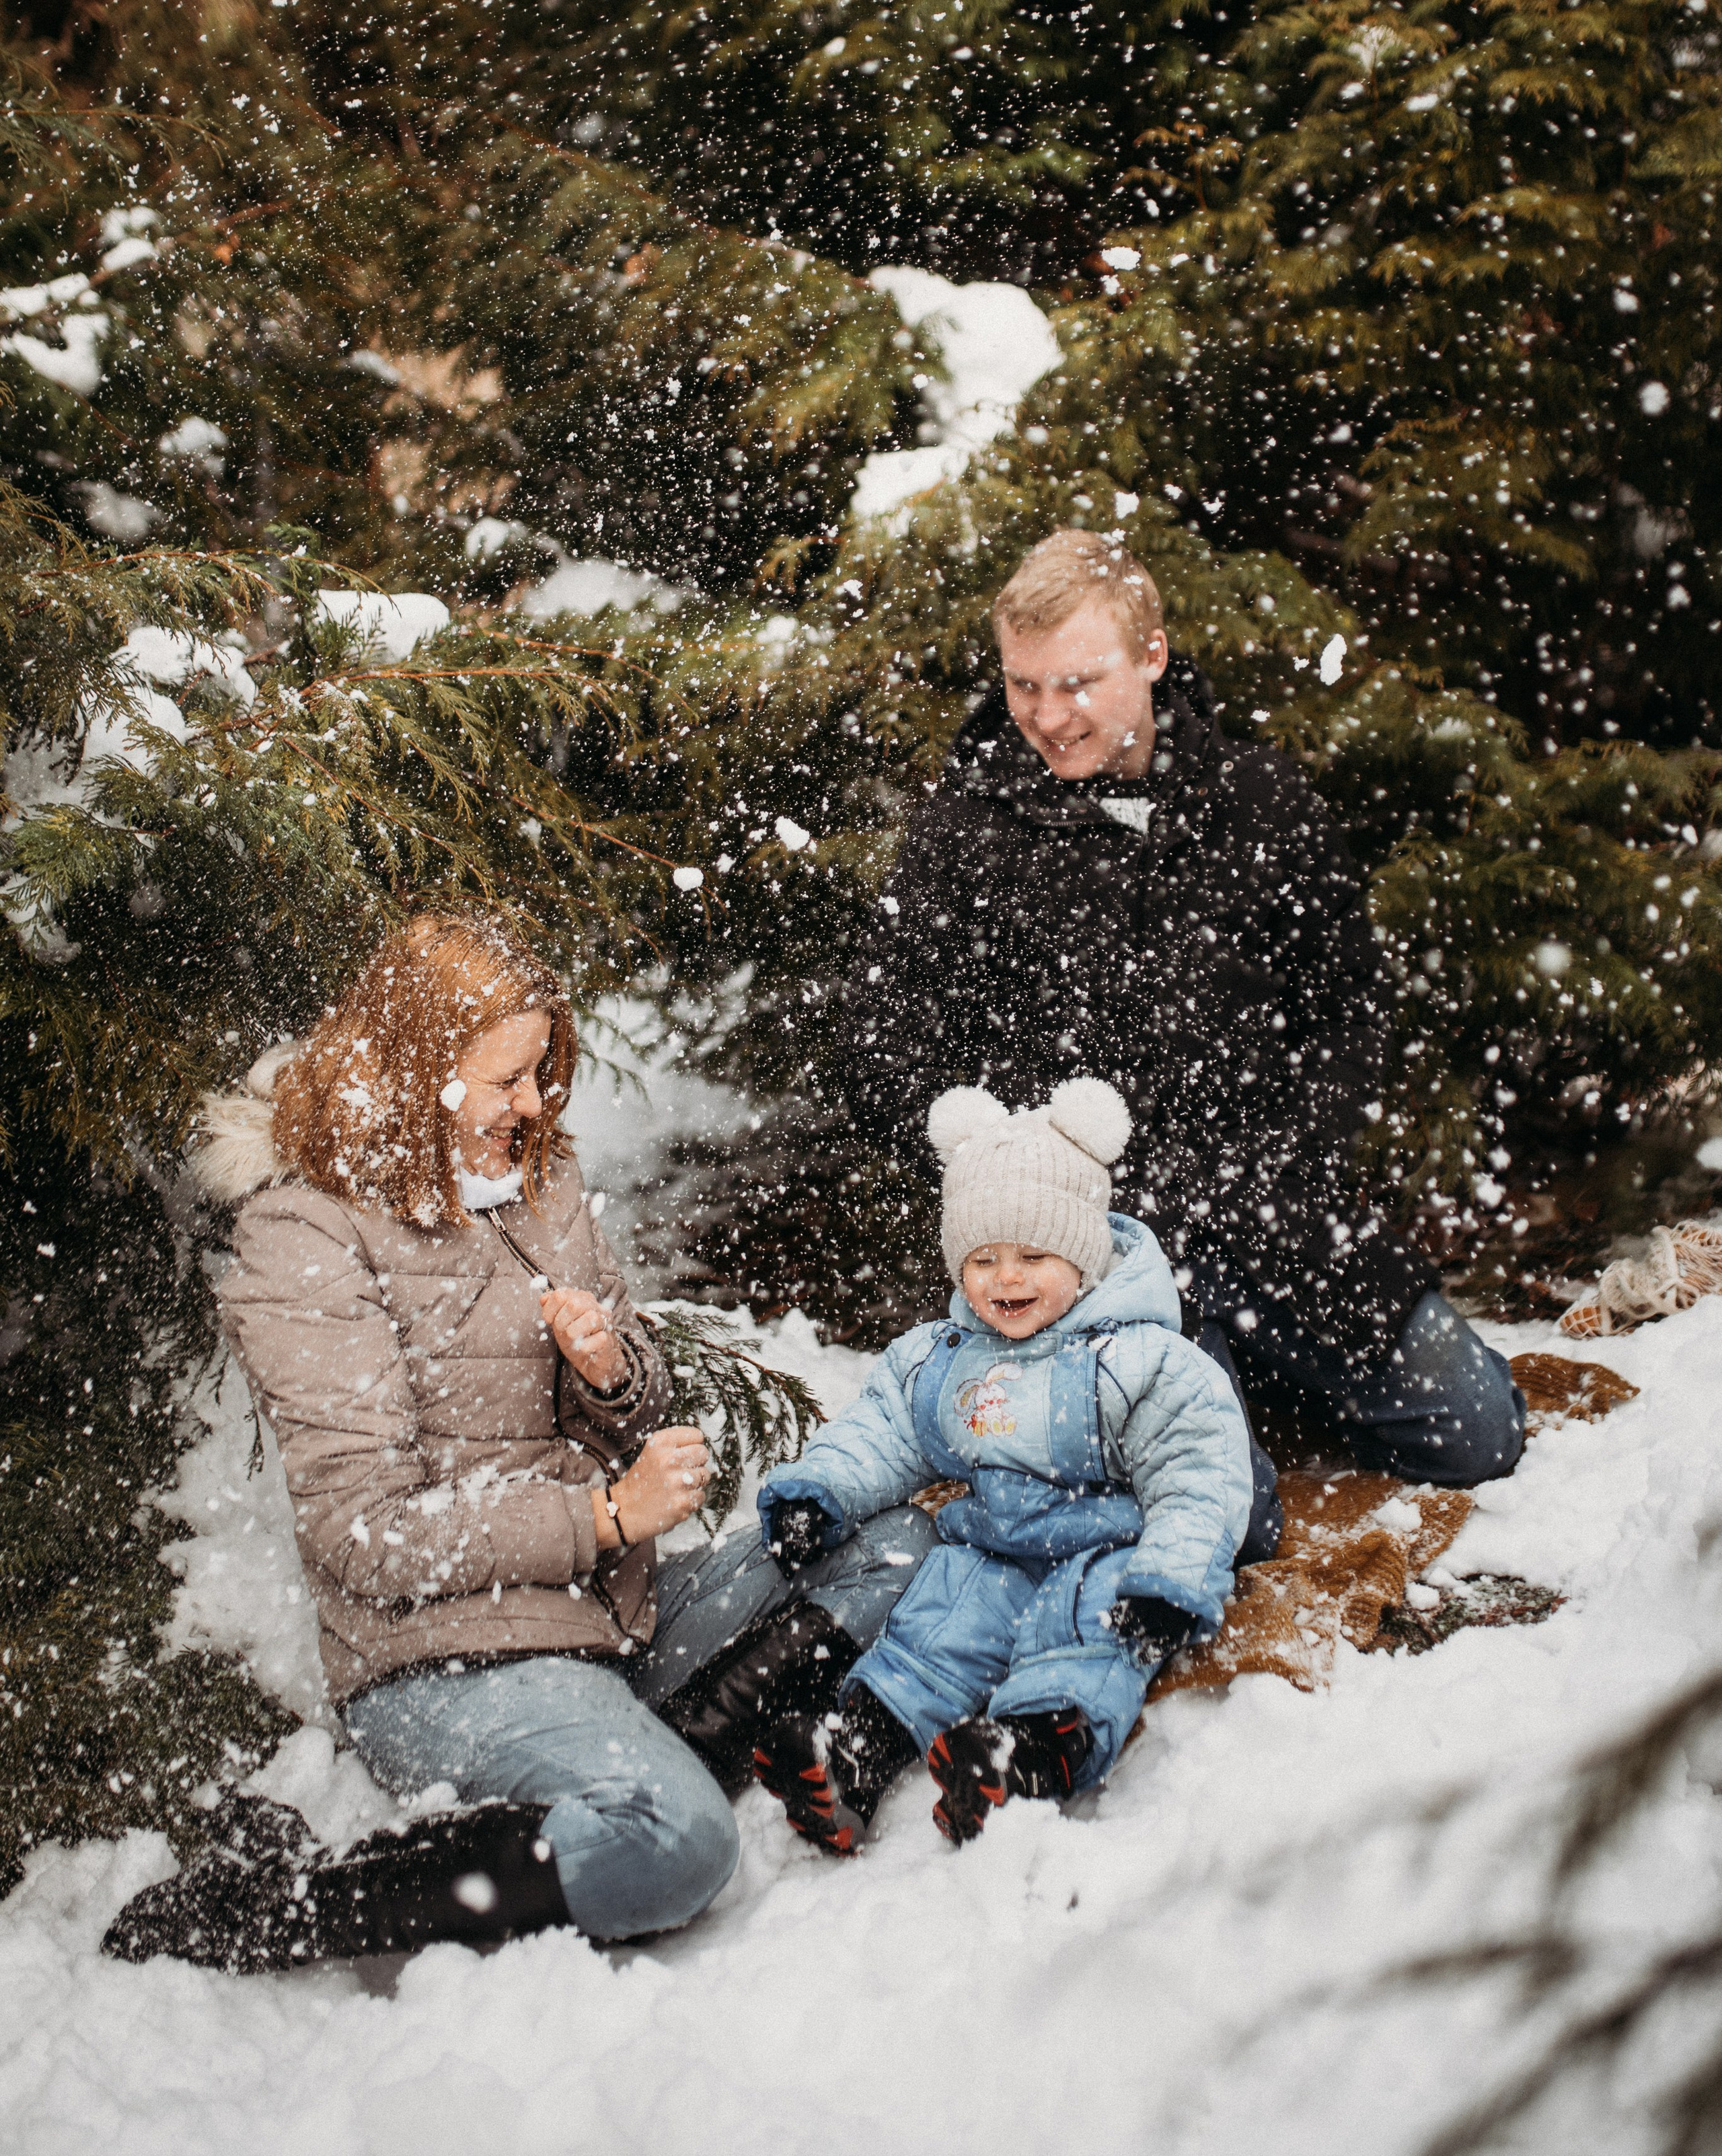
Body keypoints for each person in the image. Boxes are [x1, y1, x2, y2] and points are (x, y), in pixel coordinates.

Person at [104, 913, 931, 1973]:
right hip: (446, 1661)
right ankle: (298, 1899)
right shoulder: (304, 1232)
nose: (535, 1103)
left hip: (606, 1614)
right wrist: (598, 1515)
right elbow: (366, 1533)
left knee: (894, 1542)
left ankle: (645, 1746)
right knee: (679, 1843)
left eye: (542, 1071)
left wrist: (613, 1375)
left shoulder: (532, 1181)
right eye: (510, 1077)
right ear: (418, 1067)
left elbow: (633, 1395)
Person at [841, 529, 1525, 1560]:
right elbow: (881, 1040)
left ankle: (1246, 1376)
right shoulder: (963, 832)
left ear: (1152, 655)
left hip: (1274, 1212)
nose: (1048, 714)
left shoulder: (1261, 800)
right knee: (1229, 1524)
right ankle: (1124, 1435)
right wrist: (997, 1160)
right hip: (1093, 1259)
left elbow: (1348, 1013)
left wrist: (1284, 1167)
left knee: (1479, 1432)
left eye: (1079, 681)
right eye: (1024, 684)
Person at [751, 1078, 1252, 1851]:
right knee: (933, 1629)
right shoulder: (945, 1358)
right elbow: (883, 1430)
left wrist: (1171, 1581)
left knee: (1085, 1641)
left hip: (1104, 1550)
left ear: (1083, 1257)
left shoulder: (1142, 1360)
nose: (1005, 1278)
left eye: (1032, 1255)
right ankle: (854, 1752)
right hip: (992, 1551)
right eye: (982, 1258)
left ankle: (1024, 1756)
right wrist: (820, 1492)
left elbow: (1200, 1475)